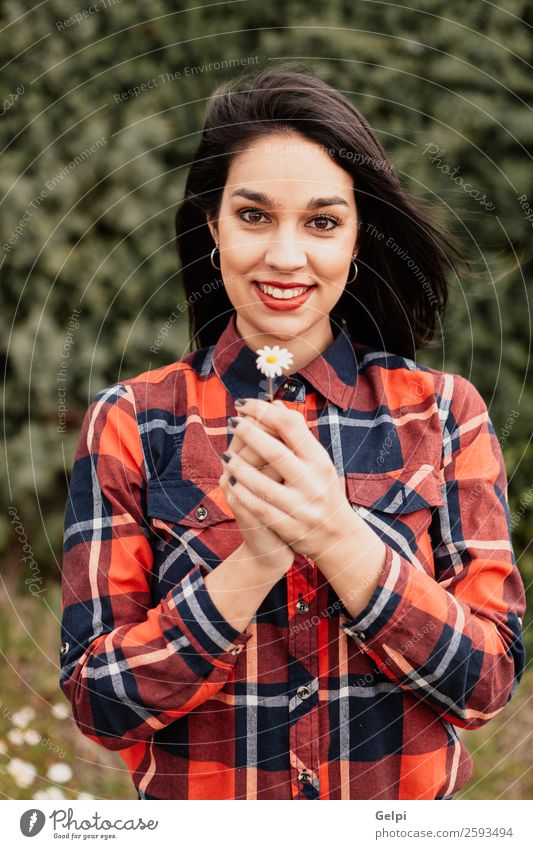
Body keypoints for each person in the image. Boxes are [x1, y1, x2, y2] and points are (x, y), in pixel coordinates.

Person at [59, 64, 526, 801]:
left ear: (356, 239)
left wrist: (340, 538)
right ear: (212, 224)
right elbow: (99, 703)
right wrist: (250, 565)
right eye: (253, 215)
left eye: (321, 221)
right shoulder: (132, 420)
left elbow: (487, 682)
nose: (284, 255)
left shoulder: (441, 412)